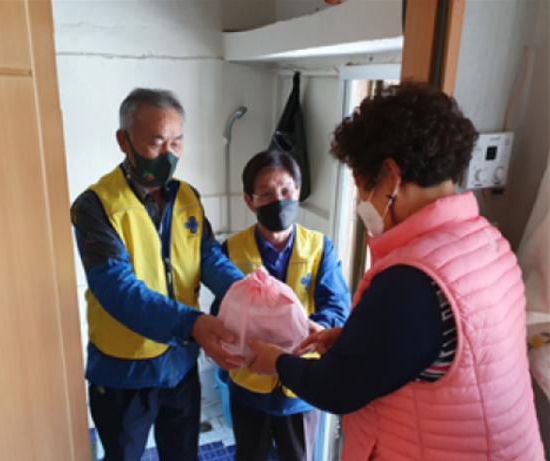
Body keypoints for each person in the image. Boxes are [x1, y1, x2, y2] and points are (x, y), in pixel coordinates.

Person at [247, 82, 545, 460]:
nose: (362, 201)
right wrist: (354, 341)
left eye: (361, 186)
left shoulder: (412, 280)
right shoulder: (488, 243)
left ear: (390, 176)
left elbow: (338, 388)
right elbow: (437, 349)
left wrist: (276, 361)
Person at [71, 88, 245, 461]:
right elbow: (116, 289)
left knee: (182, 454)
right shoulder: (95, 206)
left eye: (176, 142)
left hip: (180, 365)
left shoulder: (188, 197)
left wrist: (245, 292)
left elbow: (207, 255)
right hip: (124, 372)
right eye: (156, 142)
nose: (168, 154)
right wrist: (193, 323)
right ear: (124, 141)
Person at [211, 150, 350, 461]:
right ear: (250, 201)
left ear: (298, 193)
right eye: (266, 194)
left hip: (300, 386)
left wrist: (318, 328)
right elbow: (221, 311)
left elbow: (337, 306)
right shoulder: (232, 249)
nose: (279, 201)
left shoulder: (319, 247)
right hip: (249, 384)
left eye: (286, 191)